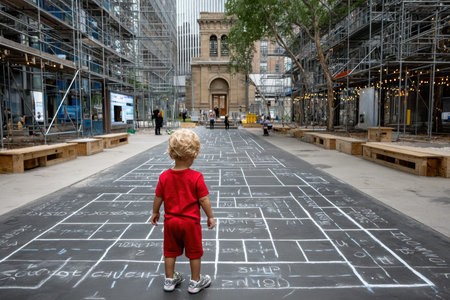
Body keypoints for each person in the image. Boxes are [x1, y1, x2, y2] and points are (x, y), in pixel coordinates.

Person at [150, 129, 215, 294]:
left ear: (171, 154)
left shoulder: (164, 176)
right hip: (190, 223)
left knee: (170, 251)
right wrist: (210, 216)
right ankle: (195, 281)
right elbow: (203, 199)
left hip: (171, 223)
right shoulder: (196, 177)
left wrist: (155, 212)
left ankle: (169, 280)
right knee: (194, 253)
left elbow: (158, 196)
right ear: (194, 155)